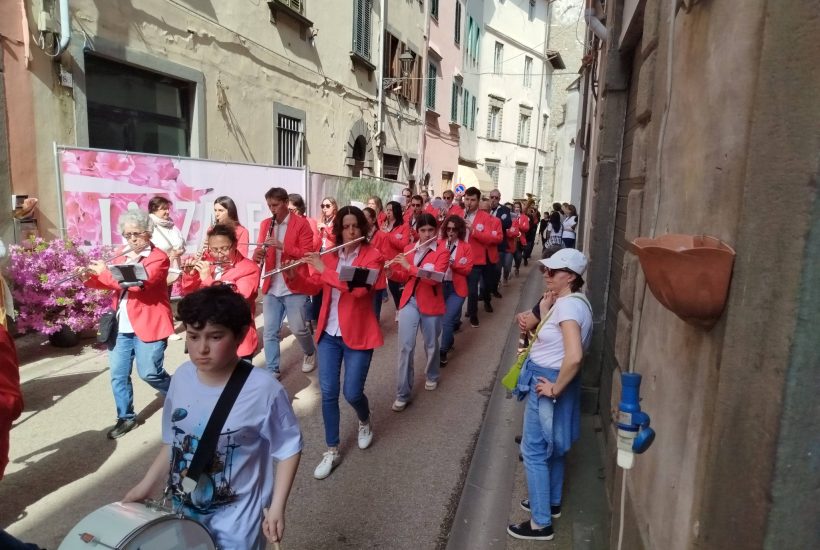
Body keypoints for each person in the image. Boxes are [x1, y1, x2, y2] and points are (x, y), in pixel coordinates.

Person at [123, 286, 302, 549]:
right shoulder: (181, 378)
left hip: (238, 525)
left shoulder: (264, 390)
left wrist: (277, 507)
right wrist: (145, 487)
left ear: (240, 335)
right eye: (193, 336)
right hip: (183, 515)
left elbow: (288, 449)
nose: (202, 349)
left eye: (215, 337)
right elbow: (172, 442)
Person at [284, 206, 383, 480]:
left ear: (362, 228)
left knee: (352, 393)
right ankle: (332, 449)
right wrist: (294, 277)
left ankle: (364, 419)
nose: (351, 231)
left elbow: (359, 291)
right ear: (339, 229)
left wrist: (322, 269)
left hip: (358, 334)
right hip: (328, 334)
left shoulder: (373, 256)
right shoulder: (329, 256)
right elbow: (314, 287)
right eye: (346, 226)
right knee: (328, 393)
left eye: (355, 226)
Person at [507, 248, 593, 541]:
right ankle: (550, 502)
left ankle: (540, 522)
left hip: (549, 381)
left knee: (533, 450)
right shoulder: (575, 302)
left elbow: (574, 355)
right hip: (558, 378)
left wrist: (554, 388)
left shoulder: (568, 308)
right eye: (546, 269)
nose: (547, 274)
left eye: (553, 271)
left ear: (570, 276)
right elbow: (557, 341)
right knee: (553, 446)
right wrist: (544, 311)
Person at [82, 209, 174, 439]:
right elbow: (108, 284)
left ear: (148, 233)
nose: (132, 239)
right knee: (118, 375)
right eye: (127, 234)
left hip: (150, 323)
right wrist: (88, 276)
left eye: (136, 233)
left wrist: (105, 273)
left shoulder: (158, 258)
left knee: (150, 373)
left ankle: (180, 392)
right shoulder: (120, 254)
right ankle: (126, 417)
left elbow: (136, 285)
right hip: (121, 325)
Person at [386, 213, 449, 411]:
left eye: (431, 230)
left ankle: (432, 374)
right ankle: (402, 393)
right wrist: (391, 273)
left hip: (431, 302)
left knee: (431, 344)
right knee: (405, 347)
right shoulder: (409, 249)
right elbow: (404, 276)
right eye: (423, 230)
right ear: (417, 231)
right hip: (409, 301)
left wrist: (409, 267)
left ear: (436, 230)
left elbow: (435, 278)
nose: (427, 234)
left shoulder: (443, 251)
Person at [253, 187, 317, 378]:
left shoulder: (301, 224)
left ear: (286, 203)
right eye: (269, 205)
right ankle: (273, 369)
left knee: (299, 328)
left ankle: (310, 352)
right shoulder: (266, 224)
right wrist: (258, 254)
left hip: (295, 284)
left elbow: (307, 253)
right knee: (270, 332)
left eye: (275, 205)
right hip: (272, 285)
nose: (272, 209)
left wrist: (282, 246)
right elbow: (259, 248)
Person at [180, 224, 261, 360]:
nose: (219, 254)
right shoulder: (208, 262)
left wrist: (208, 280)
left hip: (237, 341)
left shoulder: (249, 268)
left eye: (224, 248)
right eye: (214, 249)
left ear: (234, 245)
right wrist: (190, 275)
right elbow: (190, 293)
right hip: (208, 339)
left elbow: (238, 300)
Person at [462, 187, 502, 328]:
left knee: (486, 286)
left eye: (472, 200)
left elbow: (491, 238)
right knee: (472, 289)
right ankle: (472, 313)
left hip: (484, 258)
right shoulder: (460, 214)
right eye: (467, 199)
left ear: (478, 201)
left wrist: (473, 230)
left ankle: (486, 300)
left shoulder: (487, 218)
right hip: (467, 258)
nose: (469, 202)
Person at [438, 215, 473, 367]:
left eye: (454, 229)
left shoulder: (466, 247)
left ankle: (442, 351)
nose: (451, 232)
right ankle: (449, 340)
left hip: (456, 289)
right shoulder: (439, 244)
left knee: (447, 319)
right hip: (440, 286)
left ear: (459, 231)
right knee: (442, 320)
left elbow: (467, 269)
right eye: (448, 229)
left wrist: (453, 264)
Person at [380, 201, 412, 320]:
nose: (388, 212)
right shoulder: (383, 225)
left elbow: (404, 245)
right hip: (386, 262)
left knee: (399, 289)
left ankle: (401, 309)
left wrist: (388, 235)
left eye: (390, 210)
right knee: (392, 288)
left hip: (398, 262)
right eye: (387, 210)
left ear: (396, 211)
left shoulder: (404, 226)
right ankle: (398, 308)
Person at [148, 196, 186, 284]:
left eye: (168, 209)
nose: (168, 212)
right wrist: (169, 255)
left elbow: (182, 244)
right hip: (159, 272)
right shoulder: (148, 226)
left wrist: (179, 251)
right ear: (154, 210)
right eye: (164, 209)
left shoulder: (171, 225)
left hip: (174, 272)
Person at [363, 207, 389, 320]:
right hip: (362, 277)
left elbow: (386, 256)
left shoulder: (382, 236)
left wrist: (372, 254)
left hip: (376, 278)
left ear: (373, 220)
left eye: (365, 218)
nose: (362, 220)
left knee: (374, 314)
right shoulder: (360, 235)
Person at [488, 189, 512, 299]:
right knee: (486, 269)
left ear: (499, 199)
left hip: (499, 244)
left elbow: (508, 224)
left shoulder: (505, 209)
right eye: (492, 197)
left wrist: (495, 221)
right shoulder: (484, 208)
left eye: (496, 198)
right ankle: (484, 291)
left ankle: (494, 289)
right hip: (486, 243)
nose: (493, 199)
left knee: (497, 269)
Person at [507, 202, 530, 280]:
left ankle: (517, 268)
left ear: (520, 208)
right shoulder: (509, 216)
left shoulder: (524, 217)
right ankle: (507, 273)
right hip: (510, 240)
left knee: (518, 257)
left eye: (518, 207)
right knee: (508, 259)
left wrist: (516, 224)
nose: (516, 209)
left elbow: (526, 228)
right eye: (515, 207)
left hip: (519, 240)